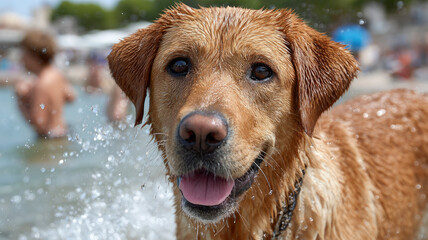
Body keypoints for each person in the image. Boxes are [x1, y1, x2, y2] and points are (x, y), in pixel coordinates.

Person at [14, 30, 75, 138]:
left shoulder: (40, 84)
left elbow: (39, 123)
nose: (21, 58)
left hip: (49, 139)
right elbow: (71, 97)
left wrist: (21, 100)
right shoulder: (56, 74)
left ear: (34, 55)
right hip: (64, 133)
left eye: (23, 53)